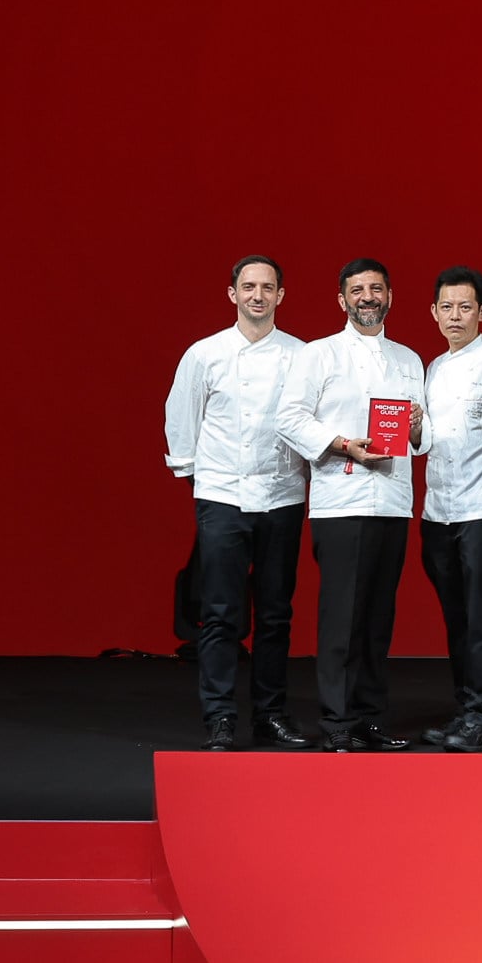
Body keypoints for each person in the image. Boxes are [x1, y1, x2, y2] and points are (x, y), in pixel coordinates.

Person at [276, 258, 429, 752]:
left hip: (392, 502)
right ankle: (338, 723)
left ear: (390, 297)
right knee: (342, 616)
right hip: (340, 500)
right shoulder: (318, 355)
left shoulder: (408, 359)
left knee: (377, 617)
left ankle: (368, 718)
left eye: (377, 289)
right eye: (358, 290)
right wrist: (343, 443)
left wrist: (416, 428)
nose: (368, 297)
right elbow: (289, 418)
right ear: (342, 300)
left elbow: (420, 437)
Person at [163, 255, 312, 751]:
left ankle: (270, 715)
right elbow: (182, 419)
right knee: (222, 613)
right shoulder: (204, 354)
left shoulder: (299, 355)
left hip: (283, 495)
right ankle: (220, 716)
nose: (257, 296)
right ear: (232, 294)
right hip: (222, 495)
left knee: (275, 613)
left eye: (267, 288)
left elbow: (310, 421)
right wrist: (198, 479)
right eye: (248, 287)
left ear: (280, 296)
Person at [418, 266, 482, 753]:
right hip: (437, 511)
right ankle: (465, 709)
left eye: (465, 307)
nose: (455, 316)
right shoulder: (431, 367)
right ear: (434, 313)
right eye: (446, 307)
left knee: (481, 615)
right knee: (456, 616)